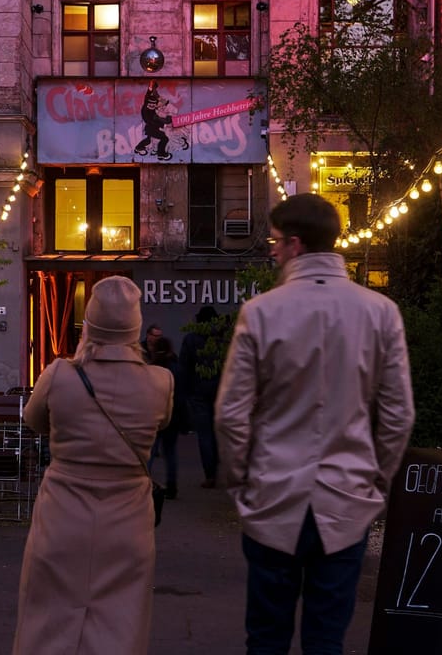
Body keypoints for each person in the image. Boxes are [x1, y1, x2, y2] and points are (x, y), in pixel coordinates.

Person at [215, 194, 415, 655]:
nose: (272, 250)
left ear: (296, 245)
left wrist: (240, 477)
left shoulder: (261, 312)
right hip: (346, 497)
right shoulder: (380, 312)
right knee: (327, 638)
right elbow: (398, 413)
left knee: (266, 636)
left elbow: (231, 412)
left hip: (271, 495)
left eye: (276, 242)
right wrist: (376, 478)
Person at [12, 276, 174, 655]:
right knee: (120, 623)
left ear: (89, 324)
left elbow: (34, 421)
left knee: (47, 620)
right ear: (135, 327)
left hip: (63, 512)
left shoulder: (59, 375)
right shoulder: (160, 382)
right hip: (128, 518)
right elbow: (162, 423)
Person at [178, 306, 222, 488]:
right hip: (220, 390)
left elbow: (184, 367)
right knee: (217, 432)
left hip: (198, 392)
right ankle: (217, 469)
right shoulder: (222, 339)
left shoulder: (191, 339)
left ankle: (210, 474)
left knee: (204, 434)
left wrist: (186, 391)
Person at [144, 324, 184, 498]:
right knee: (169, 452)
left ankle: (144, 484)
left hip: (153, 414)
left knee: (150, 451)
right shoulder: (174, 365)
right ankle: (172, 485)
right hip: (171, 414)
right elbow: (181, 392)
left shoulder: (152, 369)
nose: (156, 339)